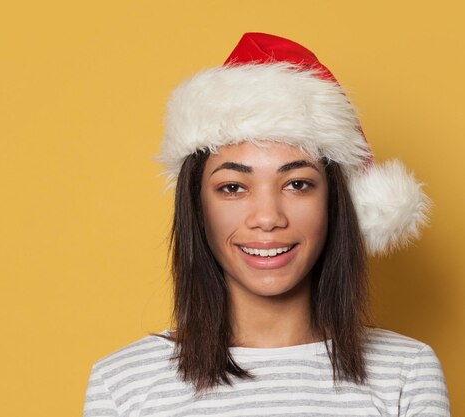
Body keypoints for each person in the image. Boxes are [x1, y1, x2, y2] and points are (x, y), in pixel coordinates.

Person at [83, 33, 450, 416]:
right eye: (233, 187)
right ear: (197, 207)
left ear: (333, 202)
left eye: (297, 184)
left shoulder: (406, 372)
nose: (267, 218)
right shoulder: (123, 384)